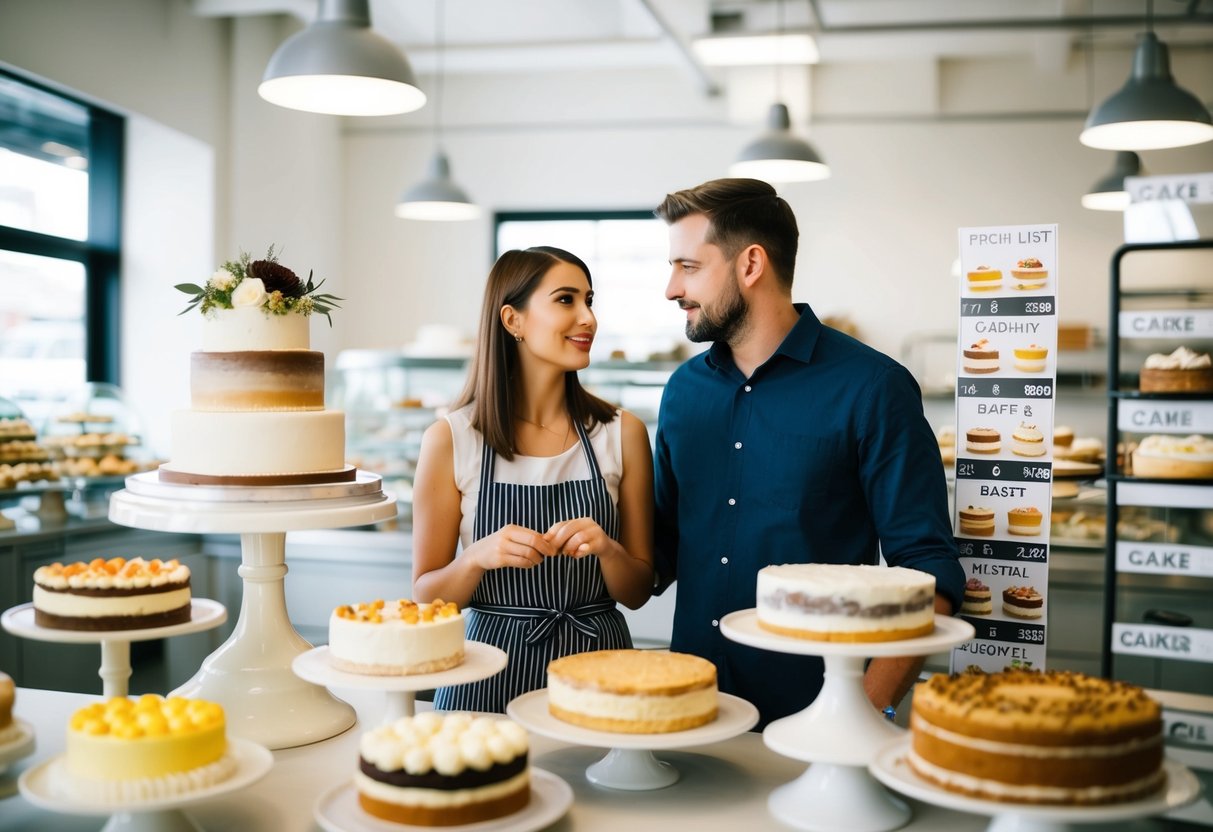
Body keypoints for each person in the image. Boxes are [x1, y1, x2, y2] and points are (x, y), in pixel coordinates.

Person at [652, 178, 964, 729]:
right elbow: (658, 553)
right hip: (689, 714)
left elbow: (929, 574)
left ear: (751, 265)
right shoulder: (682, 392)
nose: (672, 288)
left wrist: (865, 715)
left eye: (689, 267)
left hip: (819, 718)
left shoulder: (873, 388)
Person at [412, 246, 655, 713]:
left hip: (599, 670)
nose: (588, 317)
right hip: (485, 673)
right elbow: (428, 597)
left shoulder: (622, 434)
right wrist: (478, 558)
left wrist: (606, 548)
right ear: (513, 320)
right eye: (566, 300)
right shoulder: (451, 439)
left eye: (590, 300)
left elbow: (638, 591)